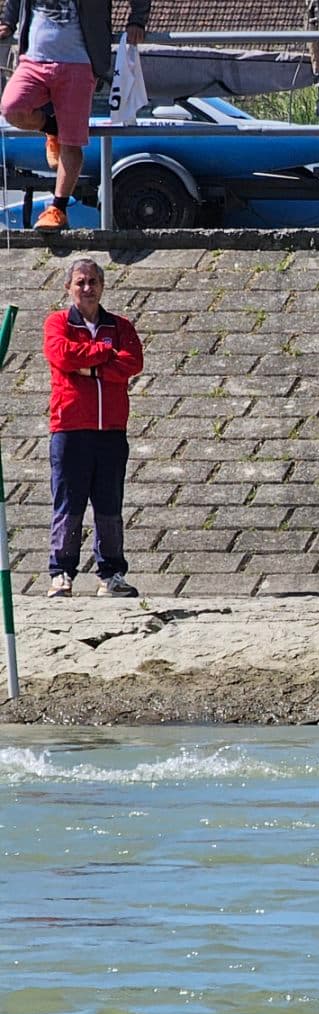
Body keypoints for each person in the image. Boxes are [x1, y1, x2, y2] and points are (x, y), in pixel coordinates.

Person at [0, 0, 149, 233]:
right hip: (33, 60)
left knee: (71, 143)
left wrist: (137, 20)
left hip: (79, 64)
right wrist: (8, 22)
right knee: (12, 107)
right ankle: (52, 128)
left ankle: (57, 209)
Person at [43, 258, 143, 598]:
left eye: (93, 282)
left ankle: (111, 574)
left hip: (112, 431)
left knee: (109, 505)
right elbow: (62, 355)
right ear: (69, 287)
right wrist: (102, 352)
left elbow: (132, 362)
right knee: (69, 505)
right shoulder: (57, 322)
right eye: (81, 282)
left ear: (102, 286)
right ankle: (61, 573)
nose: (87, 289)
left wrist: (92, 369)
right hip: (70, 429)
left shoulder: (121, 326)